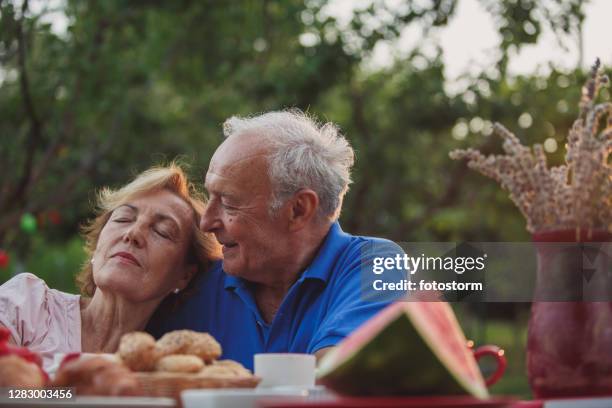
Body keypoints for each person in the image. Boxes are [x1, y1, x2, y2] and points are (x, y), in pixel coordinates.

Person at [147, 110, 406, 369]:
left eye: (228, 203)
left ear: (298, 210)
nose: (207, 223)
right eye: (210, 197)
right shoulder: (201, 286)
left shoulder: (377, 265)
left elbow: (336, 375)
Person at [0, 164, 221, 370]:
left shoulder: (166, 371)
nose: (133, 233)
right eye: (123, 218)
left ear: (184, 275)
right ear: (98, 245)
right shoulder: (28, 306)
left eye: (161, 231)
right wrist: (67, 394)